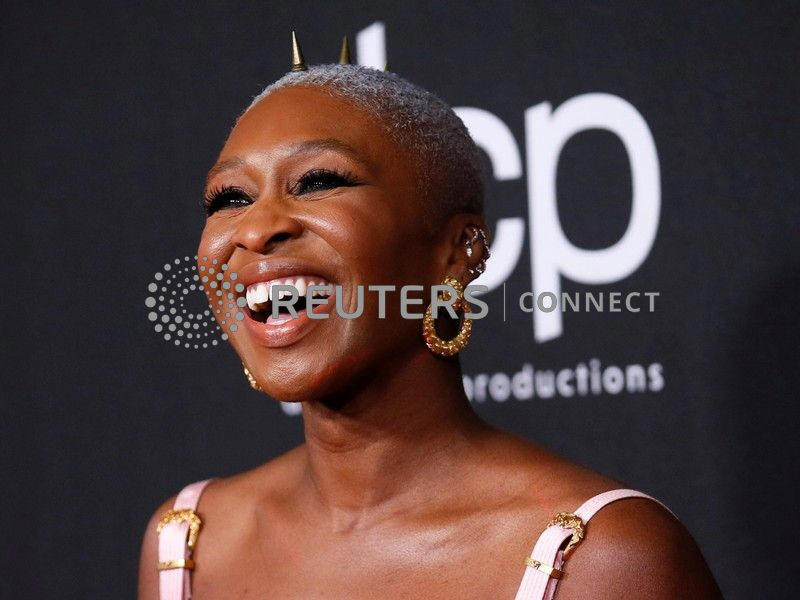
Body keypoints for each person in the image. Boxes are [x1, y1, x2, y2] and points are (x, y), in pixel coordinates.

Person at [138, 35, 722, 599]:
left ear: (457, 250)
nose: (257, 228)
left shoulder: (603, 559)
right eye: (230, 198)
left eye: (318, 182)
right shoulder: (188, 542)